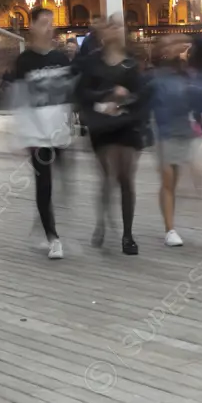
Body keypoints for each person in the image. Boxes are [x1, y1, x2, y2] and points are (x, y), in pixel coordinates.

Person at [75, 13, 151, 255]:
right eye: (112, 26)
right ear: (103, 33)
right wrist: (107, 95)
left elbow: (141, 95)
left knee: (126, 177)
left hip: (127, 125)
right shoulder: (92, 62)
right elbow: (82, 93)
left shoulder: (131, 62)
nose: (117, 30)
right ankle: (103, 221)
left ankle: (127, 235)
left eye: (120, 26)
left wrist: (124, 100)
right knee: (107, 176)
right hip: (102, 126)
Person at [10, 6, 77, 260]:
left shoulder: (61, 59)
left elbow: (70, 92)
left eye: (52, 22)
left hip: (59, 132)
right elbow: (18, 99)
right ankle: (53, 238)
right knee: (44, 184)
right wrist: (19, 136)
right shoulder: (24, 61)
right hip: (36, 135)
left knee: (66, 184)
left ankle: (42, 220)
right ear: (33, 27)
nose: (49, 27)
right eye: (44, 23)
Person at [149, 38, 202, 246]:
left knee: (176, 180)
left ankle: (173, 225)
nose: (180, 47)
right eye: (174, 45)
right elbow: (147, 102)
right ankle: (170, 229)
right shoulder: (156, 76)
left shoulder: (187, 74)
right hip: (164, 132)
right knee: (168, 181)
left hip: (183, 131)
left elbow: (198, 98)